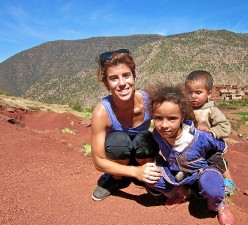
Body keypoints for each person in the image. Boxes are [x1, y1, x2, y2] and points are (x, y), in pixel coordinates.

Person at [145, 83, 234, 225]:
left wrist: (222, 149)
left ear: (182, 117)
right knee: (149, 175)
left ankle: (218, 205)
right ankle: (180, 192)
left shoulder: (198, 137)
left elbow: (218, 145)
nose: (164, 125)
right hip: (177, 176)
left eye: (172, 118)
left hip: (201, 173)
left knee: (211, 185)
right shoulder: (157, 134)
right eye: (158, 118)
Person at [91, 49, 161, 201]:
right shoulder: (102, 112)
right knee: (118, 140)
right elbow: (98, 161)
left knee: (146, 138)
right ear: (106, 84)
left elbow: (172, 123)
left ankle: (149, 175)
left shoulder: (149, 101)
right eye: (113, 78)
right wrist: (135, 172)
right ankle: (116, 179)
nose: (122, 83)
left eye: (126, 75)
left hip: (143, 155)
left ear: (134, 77)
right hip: (118, 157)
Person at [185, 70, 236, 196]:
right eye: (189, 92)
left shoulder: (211, 110)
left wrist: (212, 132)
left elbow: (225, 127)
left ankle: (228, 180)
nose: (193, 96)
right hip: (192, 144)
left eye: (198, 92)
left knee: (215, 159)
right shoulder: (185, 108)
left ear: (209, 93)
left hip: (210, 144)